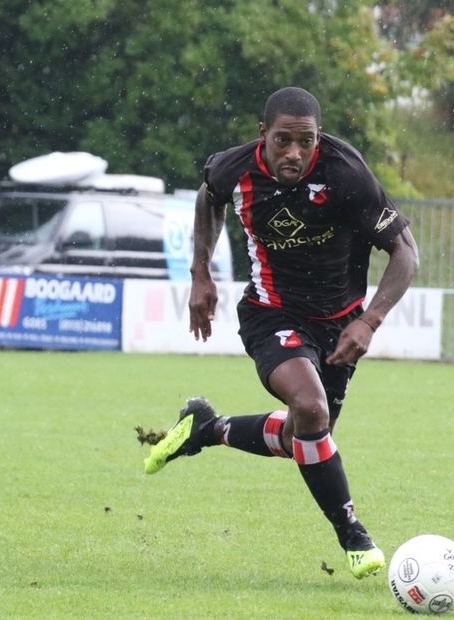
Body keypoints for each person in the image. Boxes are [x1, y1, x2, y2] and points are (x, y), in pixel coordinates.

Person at [144, 87, 419, 580]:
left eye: (306, 141)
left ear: (319, 137)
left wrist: (368, 320)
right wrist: (200, 273)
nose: (294, 152)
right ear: (262, 136)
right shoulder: (235, 168)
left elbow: (406, 254)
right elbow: (209, 197)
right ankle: (353, 533)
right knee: (310, 407)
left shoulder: (346, 174)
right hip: (272, 313)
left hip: (340, 323)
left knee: (306, 437)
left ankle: (208, 428)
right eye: (283, 140)